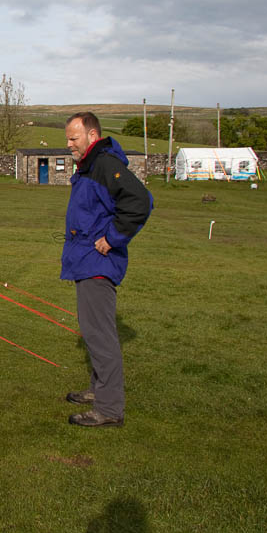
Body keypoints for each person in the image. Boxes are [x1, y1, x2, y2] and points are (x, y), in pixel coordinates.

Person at [61, 112, 152, 427]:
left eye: (74, 138)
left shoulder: (105, 166)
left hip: (98, 264)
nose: (70, 145)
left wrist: (111, 238)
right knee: (92, 332)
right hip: (86, 262)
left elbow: (140, 201)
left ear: (92, 136)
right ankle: (99, 391)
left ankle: (110, 410)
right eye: (69, 139)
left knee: (100, 336)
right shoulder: (90, 166)